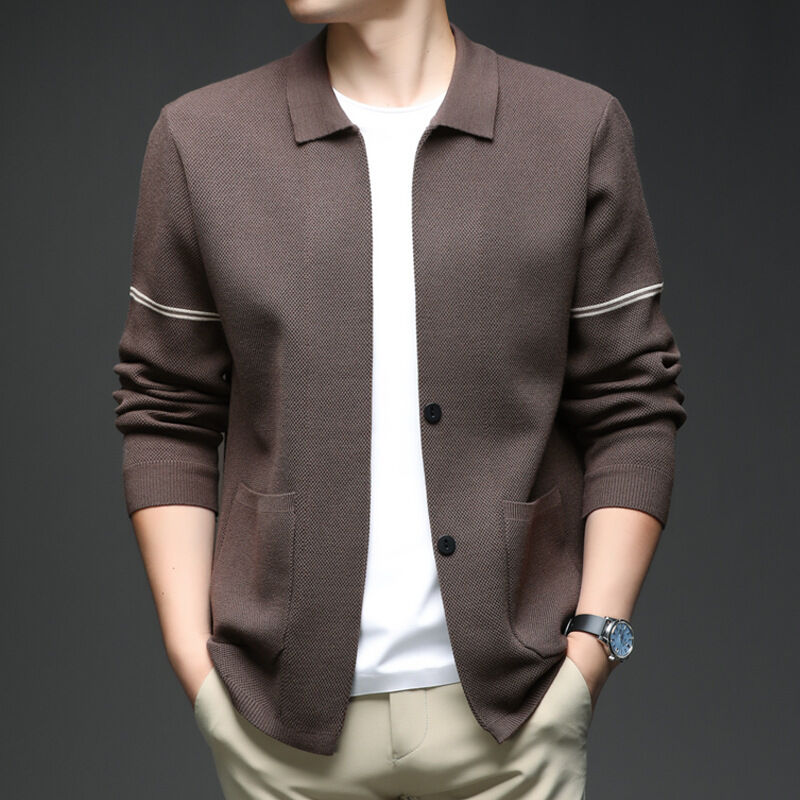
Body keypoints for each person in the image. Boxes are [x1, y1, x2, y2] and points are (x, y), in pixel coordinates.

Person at [112, 2, 687, 798]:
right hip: (279, 731)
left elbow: (631, 402)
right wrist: (194, 664)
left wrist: (592, 651)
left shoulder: (573, 129)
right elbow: (166, 408)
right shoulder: (201, 139)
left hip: (517, 721)